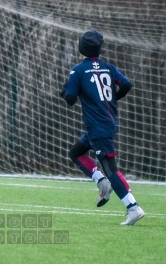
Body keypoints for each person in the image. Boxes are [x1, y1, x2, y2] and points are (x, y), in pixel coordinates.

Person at [61, 29, 145, 225]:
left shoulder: (78, 70)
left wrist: (65, 90)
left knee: (111, 168)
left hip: (98, 127)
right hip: (105, 123)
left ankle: (133, 207)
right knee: (76, 152)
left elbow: (71, 99)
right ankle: (101, 182)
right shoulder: (108, 67)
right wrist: (112, 98)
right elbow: (126, 84)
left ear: (81, 48)